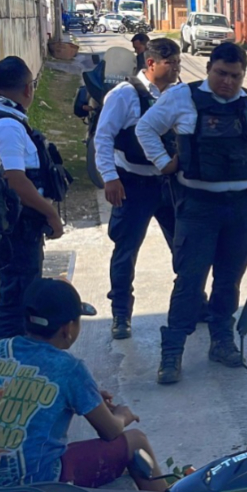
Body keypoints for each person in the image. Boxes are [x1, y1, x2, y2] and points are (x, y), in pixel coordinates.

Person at [137, 42, 247, 385]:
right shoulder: (182, 98)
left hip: (241, 209)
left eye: (236, 76)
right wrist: (164, 163)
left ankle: (222, 340)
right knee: (189, 281)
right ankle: (172, 351)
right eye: (221, 73)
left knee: (229, 279)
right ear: (208, 70)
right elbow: (146, 129)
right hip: (198, 208)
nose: (228, 82)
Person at [0, 279, 166, 491]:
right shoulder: (70, 368)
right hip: (31, 482)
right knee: (137, 441)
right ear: (68, 329)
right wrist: (123, 415)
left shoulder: (1, 349)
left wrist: (85, 397)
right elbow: (110, 431)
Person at [95, 37, 184, 339]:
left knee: (185, 246)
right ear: (151, 63)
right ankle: (121, 314)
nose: (176, 70)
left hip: (169, 183)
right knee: (126, 250)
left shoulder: (178, 94)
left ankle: (193, 304)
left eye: (178, 64)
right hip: (131, 183)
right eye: (171, 64)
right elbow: (103, 137)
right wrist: (110, 177)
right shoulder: (124, 95)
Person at [0, 57, 70, 342]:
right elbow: (16, 181)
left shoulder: (2, 119)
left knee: (18, 297)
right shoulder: (7, 127)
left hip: (18, 225)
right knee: (17, 302)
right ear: (28, 89)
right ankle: (9, 370)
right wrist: (51, 215)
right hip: (18, 228)